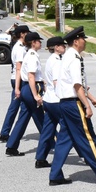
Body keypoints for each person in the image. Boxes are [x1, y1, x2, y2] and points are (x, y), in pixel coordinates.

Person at [48, 26, 96, 186]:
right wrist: (87, 105)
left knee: (64, 140)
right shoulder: (74, 58)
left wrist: (91, 97)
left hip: (65, 103)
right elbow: (76, 85)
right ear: (76, 41)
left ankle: (55, 176)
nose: (85, 42)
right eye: (83, 39)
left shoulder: (68, 56)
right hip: (74, 104)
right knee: (88, 139)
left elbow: (77, 84)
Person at [5, 31, 45, 157]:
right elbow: (31, 77)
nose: (40, 43)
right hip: (31, 88)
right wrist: (36, 95)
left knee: (23, 118)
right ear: (33, 43)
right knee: (43, 120)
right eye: (39, 41)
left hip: (27, 88)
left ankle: (11, 146)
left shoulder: (29, 54)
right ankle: (55, 142)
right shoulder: (32, 56)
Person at [34, 36, 68, 169]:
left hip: (49, 99)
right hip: (56, 100)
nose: (64, 47)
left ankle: (40, 158)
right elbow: (56, 81)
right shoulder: (56, 61)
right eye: (62, 45)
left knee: (47, 131)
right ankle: (88, 154)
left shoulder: (52, 59)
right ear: (56, 47)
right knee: (72, 128)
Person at [0, 25, 29, 142]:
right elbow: (18, 68)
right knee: (25, 109)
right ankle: (7, 134)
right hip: (19, 79)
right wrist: (17, 86)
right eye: (27, 33)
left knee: (14, 107)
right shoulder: (20, 48)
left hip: (17, 79)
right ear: (22, 34)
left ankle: (5, 133)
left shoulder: (21, 46)